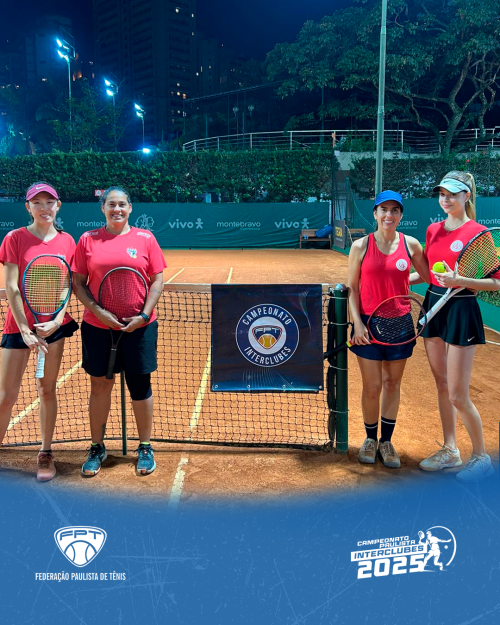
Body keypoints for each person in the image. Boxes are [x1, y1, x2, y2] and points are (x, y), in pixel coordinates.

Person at [412, 171, 500, 482]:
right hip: (434, 304)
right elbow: (427, 275)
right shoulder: (433, 230)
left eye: (452, 194)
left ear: (467, 196)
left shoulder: (479, 233)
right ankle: (450, 449)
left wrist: (461, 280)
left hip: (462, 308)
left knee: (458, 394)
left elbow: (496, 282)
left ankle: (481, 457)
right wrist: (392, 280)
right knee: (442, 384)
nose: (446, 199)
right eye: (442, 193)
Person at [72, 187, 166, 477]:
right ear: (102, 208)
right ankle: (97, 447)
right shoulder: (87, 240)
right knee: (100, 386)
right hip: (98, 327)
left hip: (140, 328)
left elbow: (157, 280)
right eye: (111, 204)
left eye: (122, 204)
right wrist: (99, 312)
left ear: (130, 208)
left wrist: (144, 315)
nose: (117, 209)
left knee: (140, 386)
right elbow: (78, 283)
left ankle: (145, 446)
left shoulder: (146, 238)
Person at [0, 182, 78, 481]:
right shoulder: (15, 238)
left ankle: (45, 453)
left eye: (49, 202)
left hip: (52, 328)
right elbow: (11, 287)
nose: (44, 208)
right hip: (18, 327)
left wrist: (57, 320)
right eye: (37, 202)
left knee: (46, 390)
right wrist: (25, 329)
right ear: (28, 207)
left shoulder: (67, 241)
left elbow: (66, 286)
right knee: (6, 395)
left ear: (58, 205)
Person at [347, 190, 428, 468]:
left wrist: (403, 281)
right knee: (372, 387)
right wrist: (357, 324)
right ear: (375, 213)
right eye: (383, 210)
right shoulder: (360, 246)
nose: (388, 215)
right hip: (368, 324)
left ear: (401, 215)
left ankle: (386, 442)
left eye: (394, 210)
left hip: (400, 324)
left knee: (393, 384)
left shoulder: (411, 244)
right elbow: (352, 288)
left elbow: (427, 276)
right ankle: (370, 440)